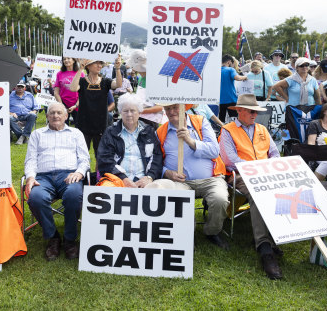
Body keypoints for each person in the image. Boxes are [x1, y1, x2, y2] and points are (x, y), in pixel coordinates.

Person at [146, 103, 230, 250]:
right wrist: (167, 172)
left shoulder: (200, 121)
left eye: (175, 107)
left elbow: (214, 151)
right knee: (180, 201)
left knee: (220, 199)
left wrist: (191, 141)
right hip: (180, 182)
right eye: (168, 109)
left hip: (210, 179)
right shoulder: (161, 131)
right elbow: (155, 162)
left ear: (184, 107)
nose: (171, 112)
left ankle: (212, 231)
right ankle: (186, 235)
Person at [218, 94, 283, 279]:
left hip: (265, 174)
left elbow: (275, 154)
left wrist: (269, 168)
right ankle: (264, 247)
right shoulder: (228, 130)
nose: (254, 114)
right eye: (251, 111)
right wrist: (258, 169)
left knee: (278, 192)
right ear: (239, 111)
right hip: (240, 176)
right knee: (259, 194)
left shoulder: (262, 128)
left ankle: (274, 237)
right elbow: (230, 160)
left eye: (256, 111)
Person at [24, 103, 90, 261]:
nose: (55, 116)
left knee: (74, 195)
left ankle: (69, 240)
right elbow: (31, 160)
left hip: (69, 175)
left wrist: (79, 173)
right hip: (43, 177)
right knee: (36, 198)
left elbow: (84, 159)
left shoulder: (76, 133)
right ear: (46, 116)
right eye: (51, 113)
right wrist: (30, 177)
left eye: (59, 113)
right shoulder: (37, 134)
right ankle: (53, 237)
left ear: (66, 116)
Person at [97, 93, 163, 188]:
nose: (129, 114)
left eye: (133, 111)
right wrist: (123, 178)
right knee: (105, 189)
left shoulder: (149, 132)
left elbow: (157, 157)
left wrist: (150, 177)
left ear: (139, 112)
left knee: (158, 190)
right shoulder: (111, 132)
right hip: (117, 179)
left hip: (144, 180)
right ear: (120, 112)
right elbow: (105, 159)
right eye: (125, 111)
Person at [69, 57, 122, 164]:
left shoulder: (105, 81)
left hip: (101, 124)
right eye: (96, 63)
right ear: (88, 66)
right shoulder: (82, 81)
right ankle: (83, 177)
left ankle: (98, 178)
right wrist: (80, 69)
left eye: (100, 63)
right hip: (84, 124)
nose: (99, 66)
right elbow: (73, 88)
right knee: (81, 154)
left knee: (100, 155)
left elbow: (118, 85)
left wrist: (117, 68)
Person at [128, 50, 162, 129]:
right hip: (139, 118)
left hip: (150, 121)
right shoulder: (140, 78)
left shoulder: (154, 80)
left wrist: (139, 110)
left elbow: (159, 107)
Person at [51, 57, 83, 123]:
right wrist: (62, 105)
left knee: (79, 127)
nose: (66, 60)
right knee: (63, 127)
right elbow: (56, 92)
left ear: (74, 60)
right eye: (64, 59)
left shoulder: (80, 73)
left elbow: (83, 92)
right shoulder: (59, 74)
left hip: (77, 104)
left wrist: (76, 105)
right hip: (63, 104)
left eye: (68, 58)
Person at [220, 54, 248, 122]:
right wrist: (245, 77)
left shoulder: (216, 70)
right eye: (232, 64)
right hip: (230, 99)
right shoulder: (230, 69)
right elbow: (237, 78)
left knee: (221, 121)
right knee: (235, 121)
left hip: (219, 100)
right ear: (229, 62)